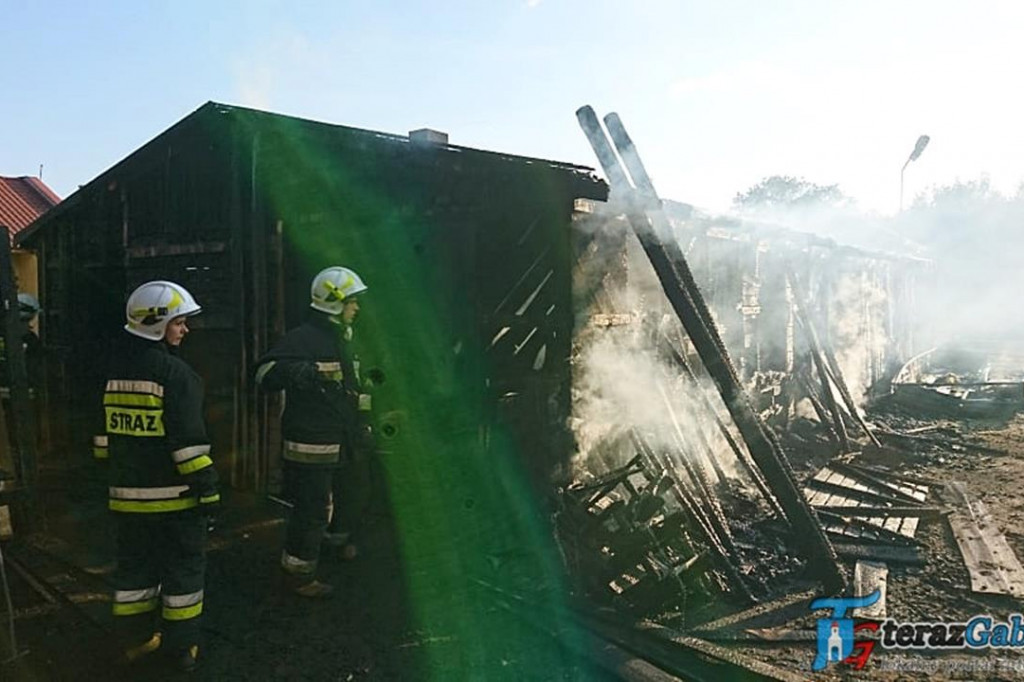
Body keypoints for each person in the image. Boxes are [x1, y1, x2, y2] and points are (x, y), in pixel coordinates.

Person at [102, 280, 219, 672]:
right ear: (157, 324)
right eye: (179, 322)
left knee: (134, 573)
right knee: (184, 573)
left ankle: (134, 642)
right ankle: (181, 650)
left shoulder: (112, 373)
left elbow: (103, 442)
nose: (185, 330)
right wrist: (209, 492)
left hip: (125, 499)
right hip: (176, 502)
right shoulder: (176, 375)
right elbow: (189, 447)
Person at [255, 266, 367, 598]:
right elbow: (263, 374)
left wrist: (365, 423)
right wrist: (298, 371)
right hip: (311, 443)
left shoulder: (347, 340)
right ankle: (298, 575)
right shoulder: (302, 339)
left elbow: (356, 389)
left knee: (353, 493)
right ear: (334, 303)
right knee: (312, 509)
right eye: (352, 301)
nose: (357, 308)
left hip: (342, 438)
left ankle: (334, 544)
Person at [0, 293, 44, 475]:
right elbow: (37, 369)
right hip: (25, 396)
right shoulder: (30, 340)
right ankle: (24, 468)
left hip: (11, 396)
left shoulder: (6, 335)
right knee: (24, 434)